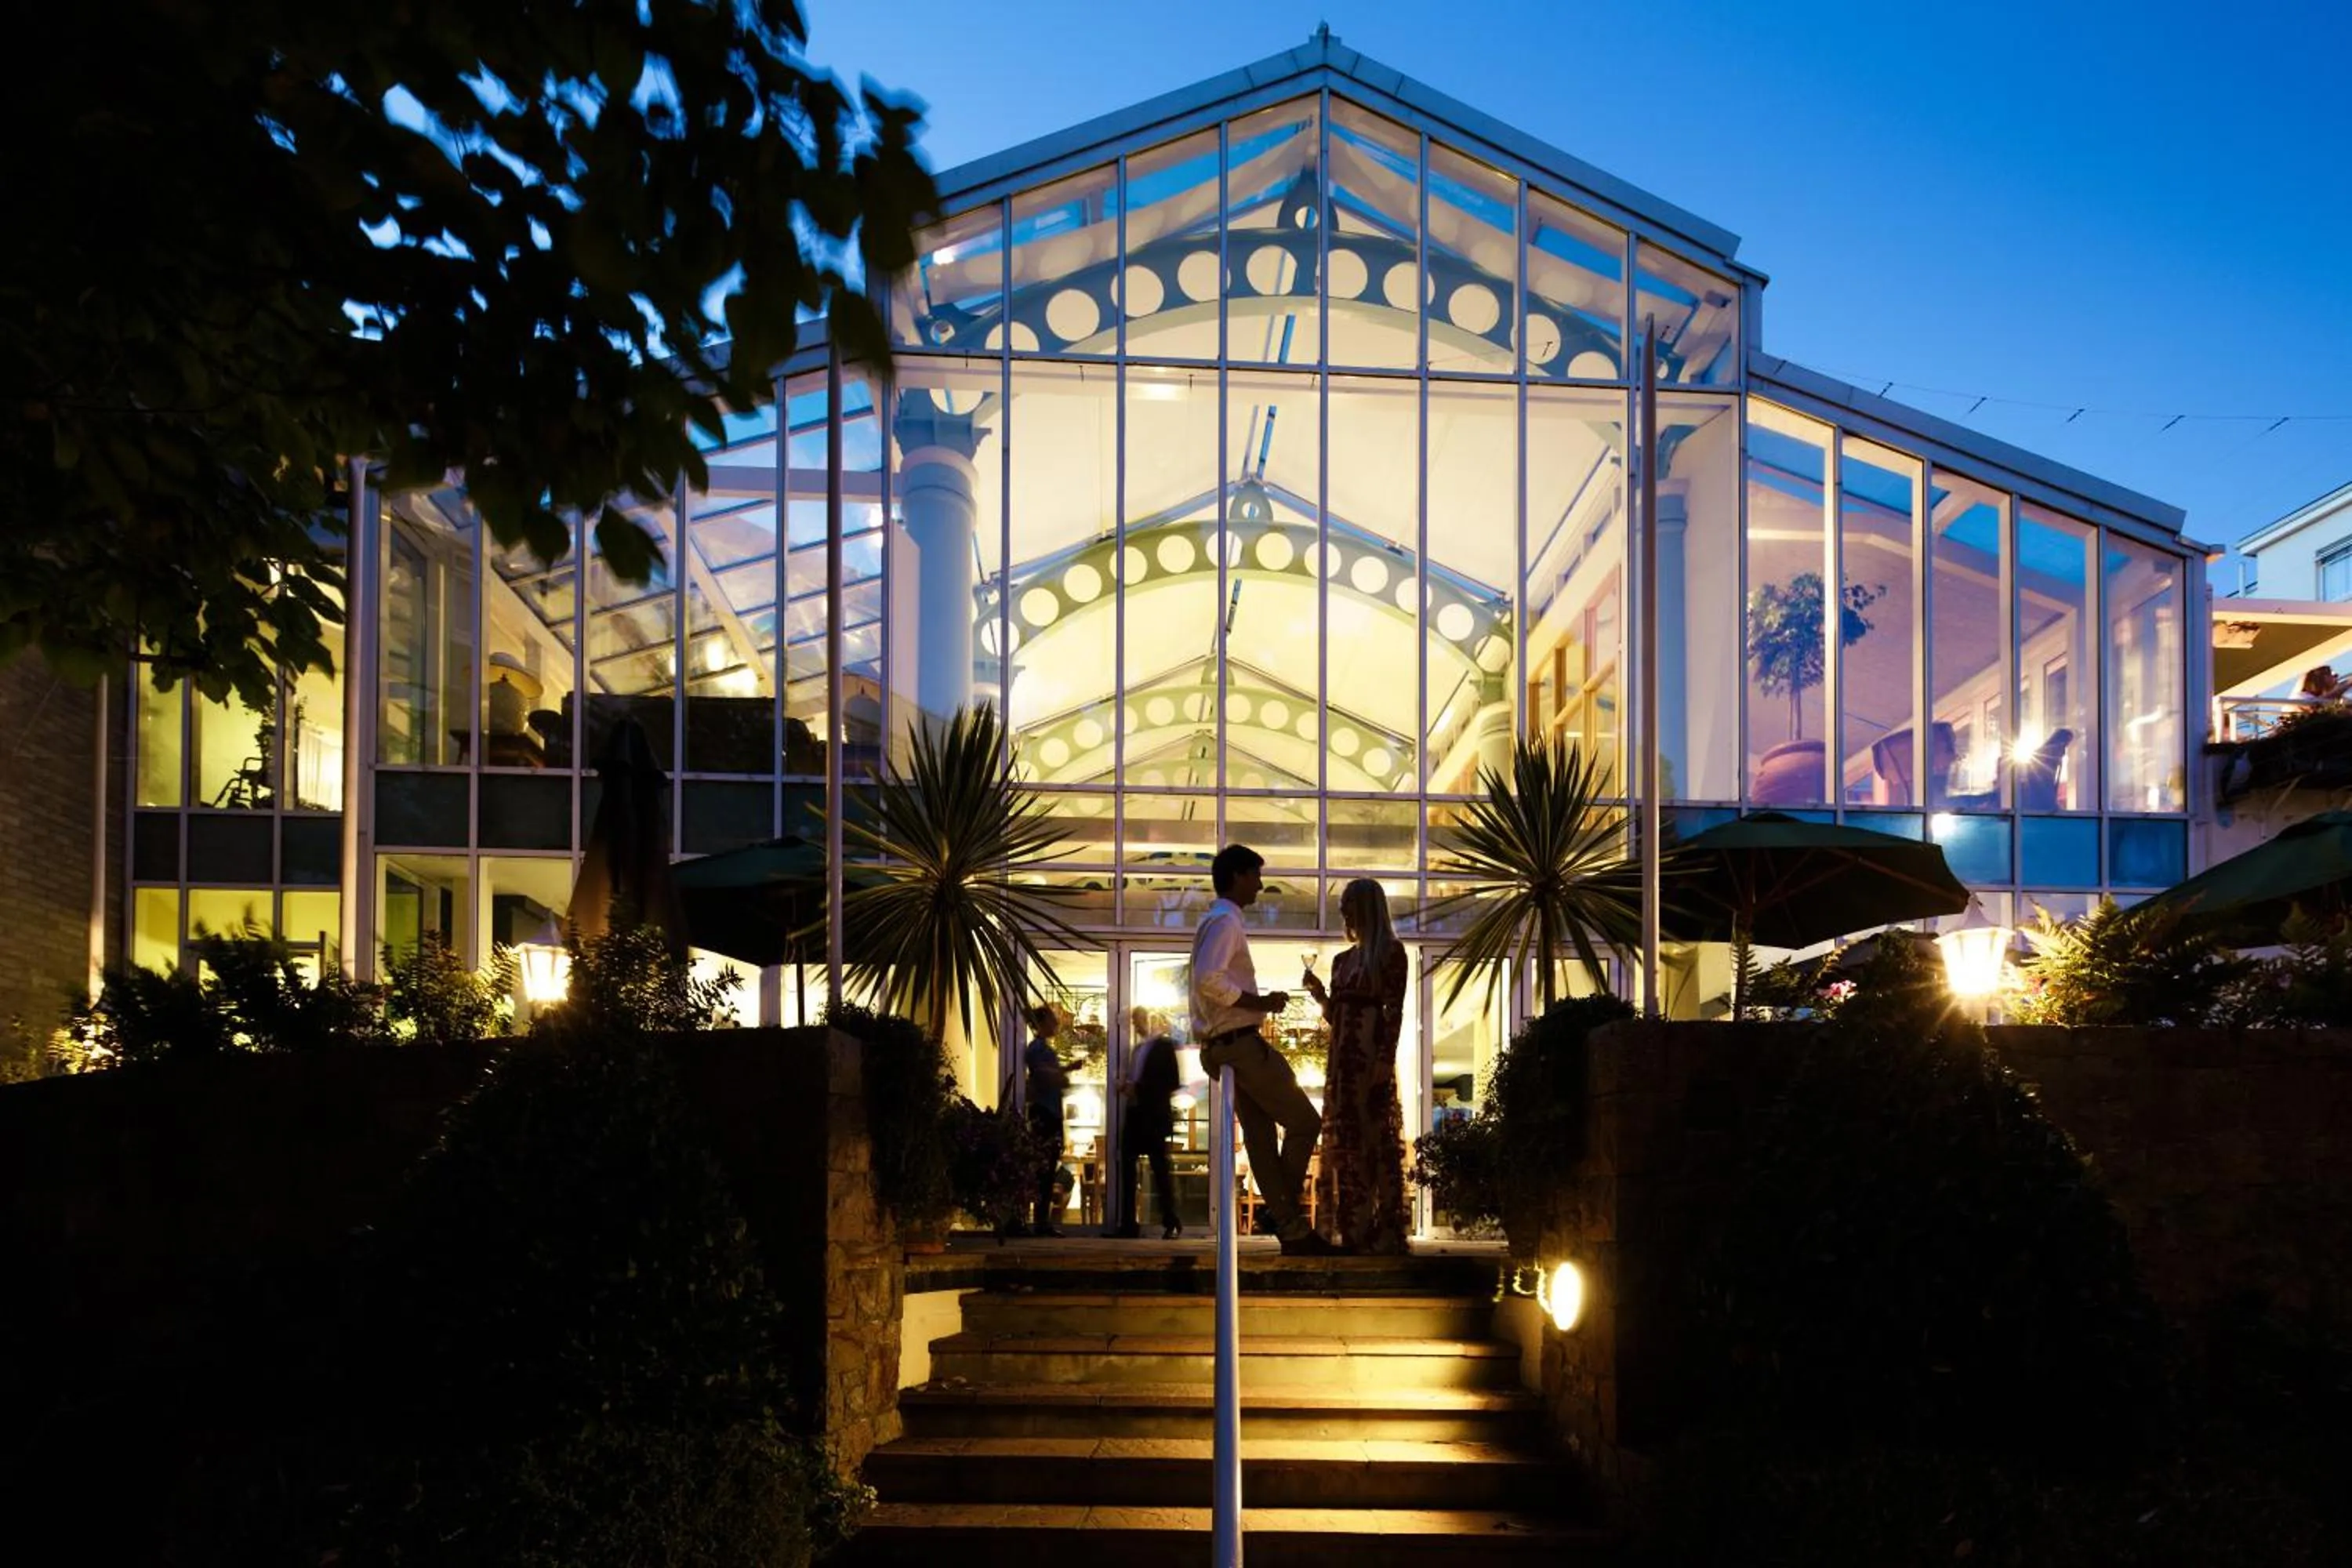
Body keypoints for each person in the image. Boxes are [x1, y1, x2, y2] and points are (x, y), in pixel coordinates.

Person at [1190, 844, 1334, 1256]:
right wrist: (1261, 1003)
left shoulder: (1213, 921)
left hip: (1222, 1047)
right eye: (1255, 875)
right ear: (1237, 876)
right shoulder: (1225, 922)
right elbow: (1208, 979)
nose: (1261, 884)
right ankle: (1282, 1213)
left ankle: (1290, 1230)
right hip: (1239, 1045)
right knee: (1305, 1122)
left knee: (1260, 1136)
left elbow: (1207, 980)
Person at [1303, 879, 1411, 1254]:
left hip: (1368, 1060)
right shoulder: (1341, 961)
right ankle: (1353, 1229)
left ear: (1366, 908)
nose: (1344, 913)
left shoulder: (1391, 953)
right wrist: (1319, 994)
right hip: (1341, 1063)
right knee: (1346, 1146)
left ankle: (1383, 1231)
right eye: (1343, 906)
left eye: (1349, 905)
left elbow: (1393, 1012)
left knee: (1375, 1141)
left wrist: (1384, 1059)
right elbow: (1338, 1015)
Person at [1109, 1007, 1182, 1240]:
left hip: (1153, 1117)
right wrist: (1126, 1087)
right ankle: (1129, 1225)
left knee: (1160, 1169)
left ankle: (1170, 1221)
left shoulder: (1164, 1046)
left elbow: (1171, 1081)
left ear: (1151, 1020)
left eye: (1139, 1020)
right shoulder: (1137, 1049)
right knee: (1127, 1168)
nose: (1136, 1025)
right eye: (1134, 1021)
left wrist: (1138, 1088)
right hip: (1135, 1115)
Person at [1019, 1002, 1069, 1237]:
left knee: (1048, 1169)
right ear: (1040, 1024)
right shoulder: (1037, 1049)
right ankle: (1039, 1222)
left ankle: (1042, 1220)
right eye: (1051, 1019)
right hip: (1044, 1113)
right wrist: (1065, 1072)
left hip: (1051, 1112)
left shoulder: (1044, 1049)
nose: (1056, 1023)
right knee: (1044, 1169)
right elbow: (1043, 1075)